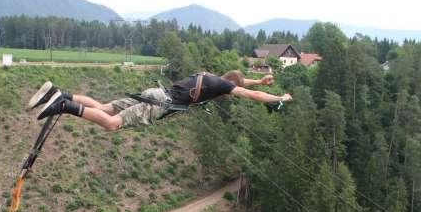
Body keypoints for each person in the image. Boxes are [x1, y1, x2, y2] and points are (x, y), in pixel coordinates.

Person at [29, 70, 293, 131]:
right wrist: (279, 97)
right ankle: (64, 105)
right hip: (159, 105)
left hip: (155, 93)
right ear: (230, 87)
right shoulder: (223, 87)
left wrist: (259, 81)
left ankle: (60, 93)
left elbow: (242, 83)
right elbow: (251, 95)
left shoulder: (212, 79)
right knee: (111, 123)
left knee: (104, 107)